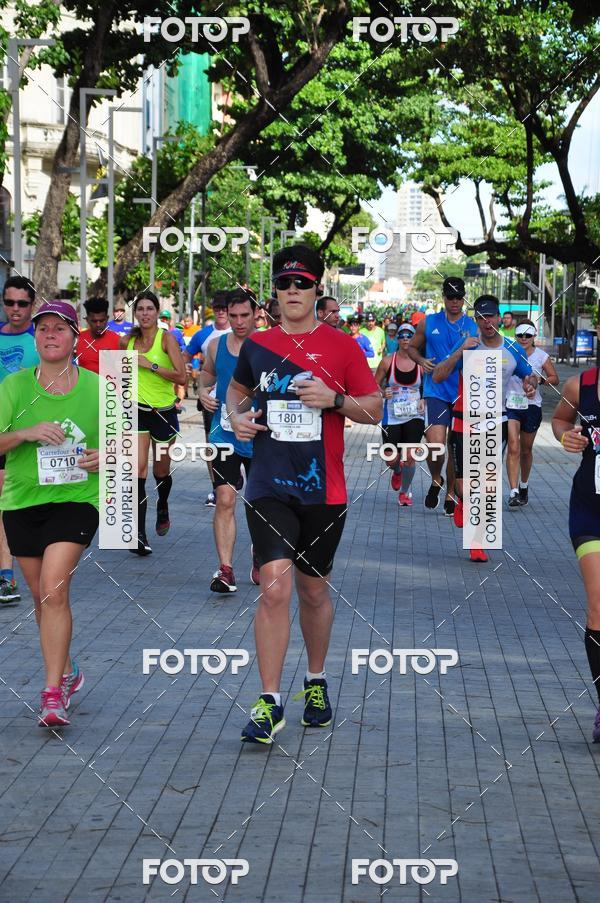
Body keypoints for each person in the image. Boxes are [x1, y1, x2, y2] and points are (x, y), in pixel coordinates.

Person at [227, 244, 381, 744]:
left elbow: (375, 409)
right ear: (275, 291)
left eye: (302, 284)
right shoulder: (258, 344)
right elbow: (236, 390)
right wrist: (236, 418)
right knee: (274, 586)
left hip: (323, 491)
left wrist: (335, 400)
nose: (293, 291)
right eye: (284, 284)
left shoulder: (342, 346)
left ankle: (315, 681)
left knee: (314, 590)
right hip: (268, 486)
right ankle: (269, 701)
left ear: (318, 289)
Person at [0, 301, 100, 727]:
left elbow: (132, 450)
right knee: (43, 595)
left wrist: (106, 457)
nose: (50, 335)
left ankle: (51, 694)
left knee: (53, 590)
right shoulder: (15, 386)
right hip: (23, 501)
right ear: (35, 338)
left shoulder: (101, 387)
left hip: (78, 499)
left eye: (60, 329)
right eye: (43, 330)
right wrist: (24, 432)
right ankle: (68, 670)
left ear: (75, 338)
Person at [432, 295, 536, 562]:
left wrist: (530, 383)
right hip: (463, 421)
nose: (486, 322)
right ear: (476, 320)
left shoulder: (513, 349)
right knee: (465, 485)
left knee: (486, 484)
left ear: (499, 317)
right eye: (480, 317)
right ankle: (460, 499)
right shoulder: (469, 344)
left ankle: (477, 543)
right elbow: (438, 375)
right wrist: (460, 351)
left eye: (490, 316)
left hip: (495, 421)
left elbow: (529, 374)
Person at [551, 328, 600, 742]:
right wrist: (565, 436)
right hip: (590, 509)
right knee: (599, 605)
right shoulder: (581, 384)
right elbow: (561, 420)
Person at [199, 288, 258, 592]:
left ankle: (261, 552)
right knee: (225, 498)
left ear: (256, 314)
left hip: (261, 434)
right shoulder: (216, 345)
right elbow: (207, 375)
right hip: (224, 432)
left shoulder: (270, 346)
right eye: (233, 316)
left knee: (262, 503)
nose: (238, 321)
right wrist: (201, 391)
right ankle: (226, 570)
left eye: (244, 315)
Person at [407, 276, 479, 516]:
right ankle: (436, 478)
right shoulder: (429, 323)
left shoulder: (472, 326)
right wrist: (420, 360)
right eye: (451, 297)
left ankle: (450, 492)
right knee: (436, 445)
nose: (455, 302)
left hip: (461, 392)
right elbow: (411, 347)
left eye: (460, 297)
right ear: (444, 297)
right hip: (435, 391)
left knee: (454, 446)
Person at [122, 290, 187, 554]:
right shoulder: (125, 340)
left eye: (149, 309)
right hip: (135, 410)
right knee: (138, 471)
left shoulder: (166, 339)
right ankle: (138, 534)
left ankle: (163, 504)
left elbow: (182, 377)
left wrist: (151, 366)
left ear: (157, 312)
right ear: (135, 313)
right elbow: (117, 374)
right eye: (140, 309)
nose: (145, 313)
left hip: (164, 412)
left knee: (161, 471)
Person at [0, 276, 40, 604]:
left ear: (32, 305)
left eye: (22, 303)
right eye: (9, 302)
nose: (15, 309)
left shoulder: (41, 341)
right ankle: (6, 574)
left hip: (35, 435)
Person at [183, 293, 231, 506]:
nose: (220, 311)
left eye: (224, 307)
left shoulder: (241, 333)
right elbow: (183, 357)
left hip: (239, 401)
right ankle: (216, 488)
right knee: (212, 444)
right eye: (217, 307)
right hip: (211, 400)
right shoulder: (202, 335)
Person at [506, 319, 559, 508]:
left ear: (534, 336)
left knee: (526, 450)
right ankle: (513, 491)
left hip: (532, 406)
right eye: (520, 335)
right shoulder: (508, 353)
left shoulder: (541, 356)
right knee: (513, 447)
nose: (523, 338)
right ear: (515, 335)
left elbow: (555, 378)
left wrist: (540, 379)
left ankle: (524, 485)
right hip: (511, 405)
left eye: (527, 335)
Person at [375, 323, 425, 506]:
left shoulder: (421, 362)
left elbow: (430, 386)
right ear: (397, 339)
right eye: (402, 335)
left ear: (414, 339)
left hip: (415, 415)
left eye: (409, 335)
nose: (405, 338)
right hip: (392, 415)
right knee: (390, 457)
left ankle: (405, 493)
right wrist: (382, 392)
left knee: (410, 455)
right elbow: (373, 384)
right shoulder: (388, 361)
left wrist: (424, 398)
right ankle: (397, 470)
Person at [75, 296, 120, 374]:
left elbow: (127, 378)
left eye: (101, 320)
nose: (98, 324)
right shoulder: (77, 339)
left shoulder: (119, 341)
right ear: (87, 320)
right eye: (94, 321)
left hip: (109, 385)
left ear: (107, 318)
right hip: (86, 385)